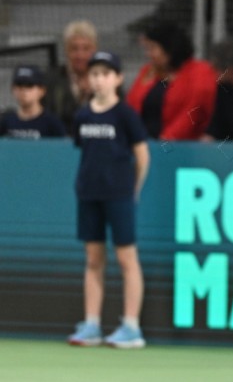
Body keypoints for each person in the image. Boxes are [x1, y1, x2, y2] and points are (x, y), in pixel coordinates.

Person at [67, 51, 149, 348]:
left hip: (119, 195)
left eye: (105, 74)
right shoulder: (82, 116)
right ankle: (91, 325)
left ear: (118, 79)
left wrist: (133, 189)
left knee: (127, 259)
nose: (99, 80)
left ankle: (131, 326)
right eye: (94, 74)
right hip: (89, 194)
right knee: (93, 260)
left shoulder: (125, 115)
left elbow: (142, 157)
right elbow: (84, 152)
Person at [126, 21, 217, 141]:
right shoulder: (147, 71)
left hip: (180, 147)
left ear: (169, 49)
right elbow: (130, 107)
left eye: (152, 48)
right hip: (144, 144)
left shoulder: (200, 72)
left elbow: (193, 112)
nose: (148, 54)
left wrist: (166, 141)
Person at [43, 19, 98, 134]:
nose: (80, 55)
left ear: (94, 50)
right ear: (66, 50)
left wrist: (94, 93)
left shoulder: (108, 80)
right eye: (74, 49)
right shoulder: (51, 79)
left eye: (86, 49)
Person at [0, 65, 66, 139]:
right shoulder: (6, 121)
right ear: (13, 89)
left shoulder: (52, 123)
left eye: (29, 85)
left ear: (42, 91)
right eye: (19, 85)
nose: (23, 90)